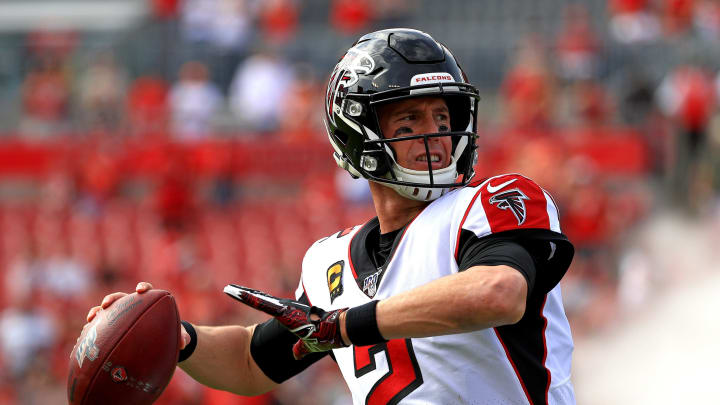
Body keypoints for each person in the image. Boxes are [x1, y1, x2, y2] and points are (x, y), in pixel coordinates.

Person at [87, 28, 576, 404]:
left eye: (443, 120)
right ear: (356, 135)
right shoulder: (329, 262)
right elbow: (251, 362)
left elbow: (498, 291)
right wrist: (180, 339)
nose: (435, 136)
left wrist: (344, 326)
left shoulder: (495, 199)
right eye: (409, 121)